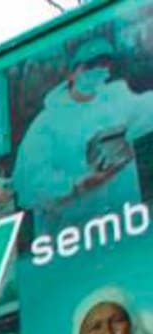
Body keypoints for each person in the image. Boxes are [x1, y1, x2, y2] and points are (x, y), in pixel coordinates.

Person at [13, 37, 153, 235]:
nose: (97, 70)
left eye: (103, 63)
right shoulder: (45, 124)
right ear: (71, 74)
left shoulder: (118, 98)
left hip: (127, 230)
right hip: (72, 245)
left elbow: (148, 110)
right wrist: (78, 185)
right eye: (89, 65)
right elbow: (27, 186)